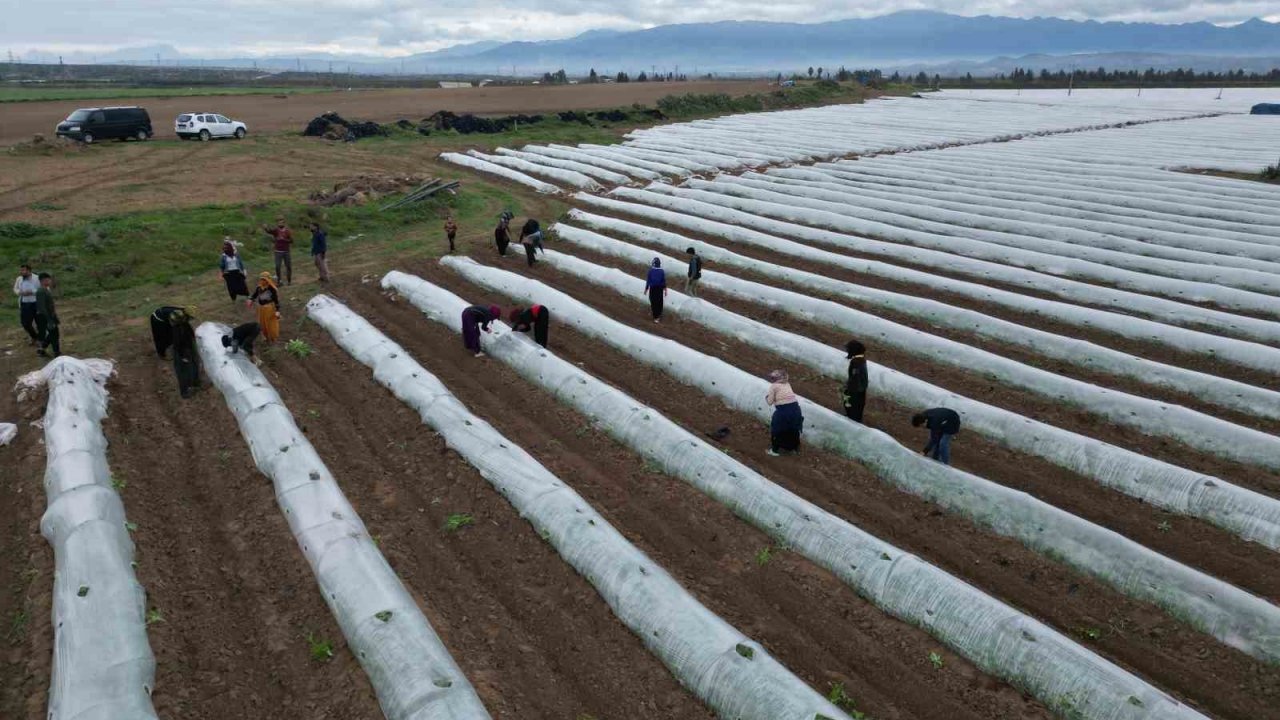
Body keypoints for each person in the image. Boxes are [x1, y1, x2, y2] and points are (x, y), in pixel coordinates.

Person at [765, 369, 803, 456]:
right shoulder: (787, 384)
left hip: (784, 411)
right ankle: (795, 448)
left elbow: (769, 402)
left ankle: (774, 451)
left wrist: (766, 397)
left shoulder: (774, 386)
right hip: (796, 409)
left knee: (777, 429)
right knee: (793, 429)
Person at [167, 308, 201, 399]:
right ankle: (185, 392)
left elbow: (191, 334)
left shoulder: (184, 325)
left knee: (194, 365)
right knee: (183, 372)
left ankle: (196, 383)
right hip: (182, 351)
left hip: (188, 348)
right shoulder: (177, 330)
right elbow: (178, 345)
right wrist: (182, 356)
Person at [248, 272, 282, 343]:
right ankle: (266, 337)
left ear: (268, 280)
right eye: (262, 279)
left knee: (271, 324)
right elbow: (254, 295)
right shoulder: (259, 288)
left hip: (270, 308)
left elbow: (276, 300)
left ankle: (273, 337)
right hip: (261, 309)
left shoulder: (272, 289)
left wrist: (277, 311)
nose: (263, 281)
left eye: (265, 279)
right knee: (262, 324)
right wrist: (250, 300)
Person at [842, 339, 869, 423]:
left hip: (855, 391)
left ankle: (852, 420)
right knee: (857, 407)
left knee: (852, 406)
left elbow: (855, 378)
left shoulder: (856, 362)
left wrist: (847, 389)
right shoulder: (862, 360)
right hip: (860, 390)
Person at [35, 273, 60, 358]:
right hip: (45, 316)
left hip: (50, 315)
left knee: (54, 333)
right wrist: (49, 320)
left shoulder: (46, 289)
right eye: (48, 280)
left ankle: (42, 348)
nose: (50, 281)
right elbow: (41, 307)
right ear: (43, 280)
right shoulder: (40, 291)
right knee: (54, 334)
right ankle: (57, 352)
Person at [262, 217, 294, 285]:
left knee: (288, 266)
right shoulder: (276, 230)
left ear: (284, 223)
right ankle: (279, 281)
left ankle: (289, 281)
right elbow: (269, 231)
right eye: (279, 223)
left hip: (286, 251)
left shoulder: (288, 231)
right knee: (277, 266)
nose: (280, 224)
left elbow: (291, 241)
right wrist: (265, 228)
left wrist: (284, 240)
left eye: (281, 222)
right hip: (278, 251)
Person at [13, 264, 39, 344]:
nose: (22, 272)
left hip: (36, 302)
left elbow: (45, 289)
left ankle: (42, 340)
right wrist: (19, 292)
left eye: (24, 270)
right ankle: (34, 336)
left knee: (39, 322)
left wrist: (32, 292)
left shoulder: (37, 278)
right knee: (25, 323)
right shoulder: (19, 279)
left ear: (29, 270)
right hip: (24, 303)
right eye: (21, 270)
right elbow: (15, 288)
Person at [643, 258, 667, 323]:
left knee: (653, 301)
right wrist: (665, 289)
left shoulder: (651, 271)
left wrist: (646, 289)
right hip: (660, 288)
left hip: (653, 288)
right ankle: (658, 315)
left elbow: (648, 281)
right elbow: (663, 281)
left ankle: (656, 316)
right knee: (659, 301)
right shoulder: (662, 271)